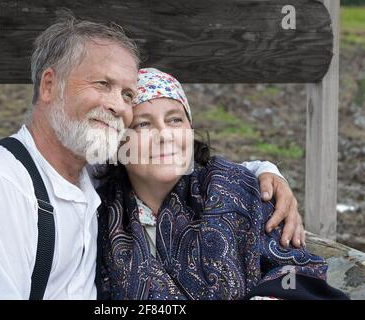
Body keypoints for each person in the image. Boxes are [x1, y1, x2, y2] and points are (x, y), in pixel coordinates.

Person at [0, 17, 303, 299]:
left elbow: (182, 163)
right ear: (49, 85)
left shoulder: (87, 178)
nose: (117, 106)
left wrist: (266, 173)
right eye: (102, 84)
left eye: (127, 95)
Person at [95, 68, 348, 300]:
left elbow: (297, 267)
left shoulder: (233, 187)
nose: (164, 135)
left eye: (175, 120)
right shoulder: (98, 216)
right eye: (142, 124)